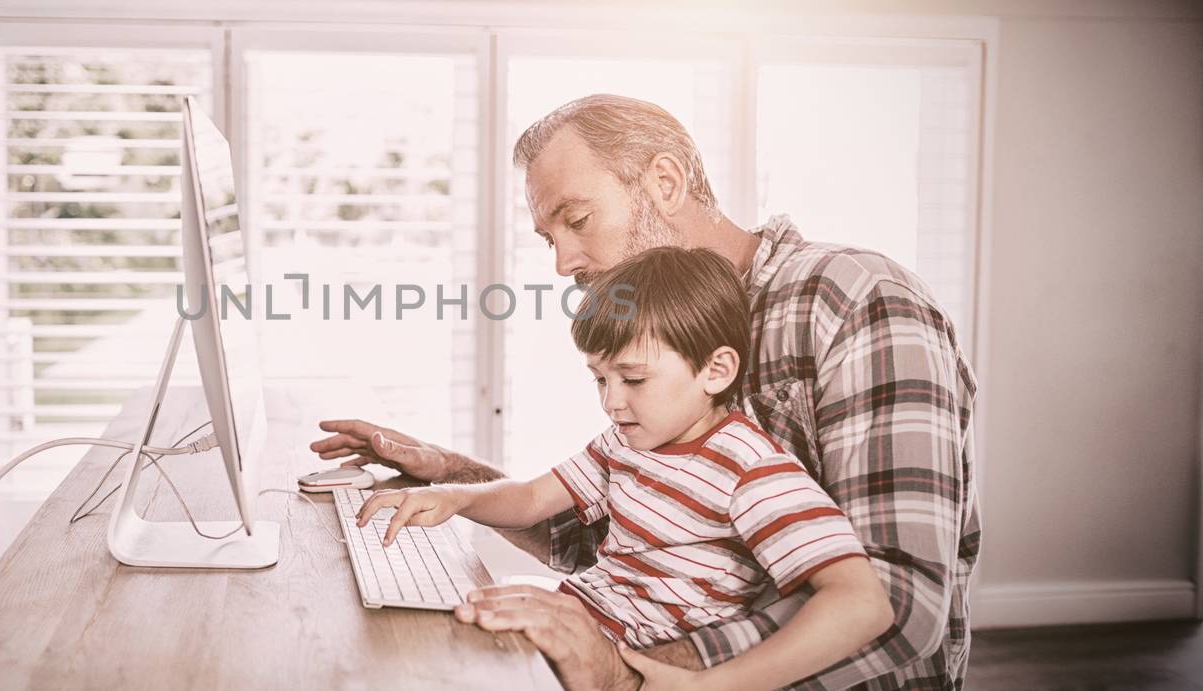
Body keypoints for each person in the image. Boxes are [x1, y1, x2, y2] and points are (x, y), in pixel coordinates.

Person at [312, 94, 979, 690]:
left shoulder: (855, 299)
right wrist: (450, 477)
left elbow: (900, 600)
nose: (562, 262)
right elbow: (623, 540)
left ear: (664, 181)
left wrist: (639, 670)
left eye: (577, 219)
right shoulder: (655, 335)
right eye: (549, 237)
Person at [355, 246, 895, 691]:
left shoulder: (752, 471)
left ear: (716, 370)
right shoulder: (628, 442)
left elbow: (863, 605)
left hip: (627, 666)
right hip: (577, 625)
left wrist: (716, 686)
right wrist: (455, 498)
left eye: (633, 380)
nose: (611, 403)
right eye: (599, 379)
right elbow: (531, 500)